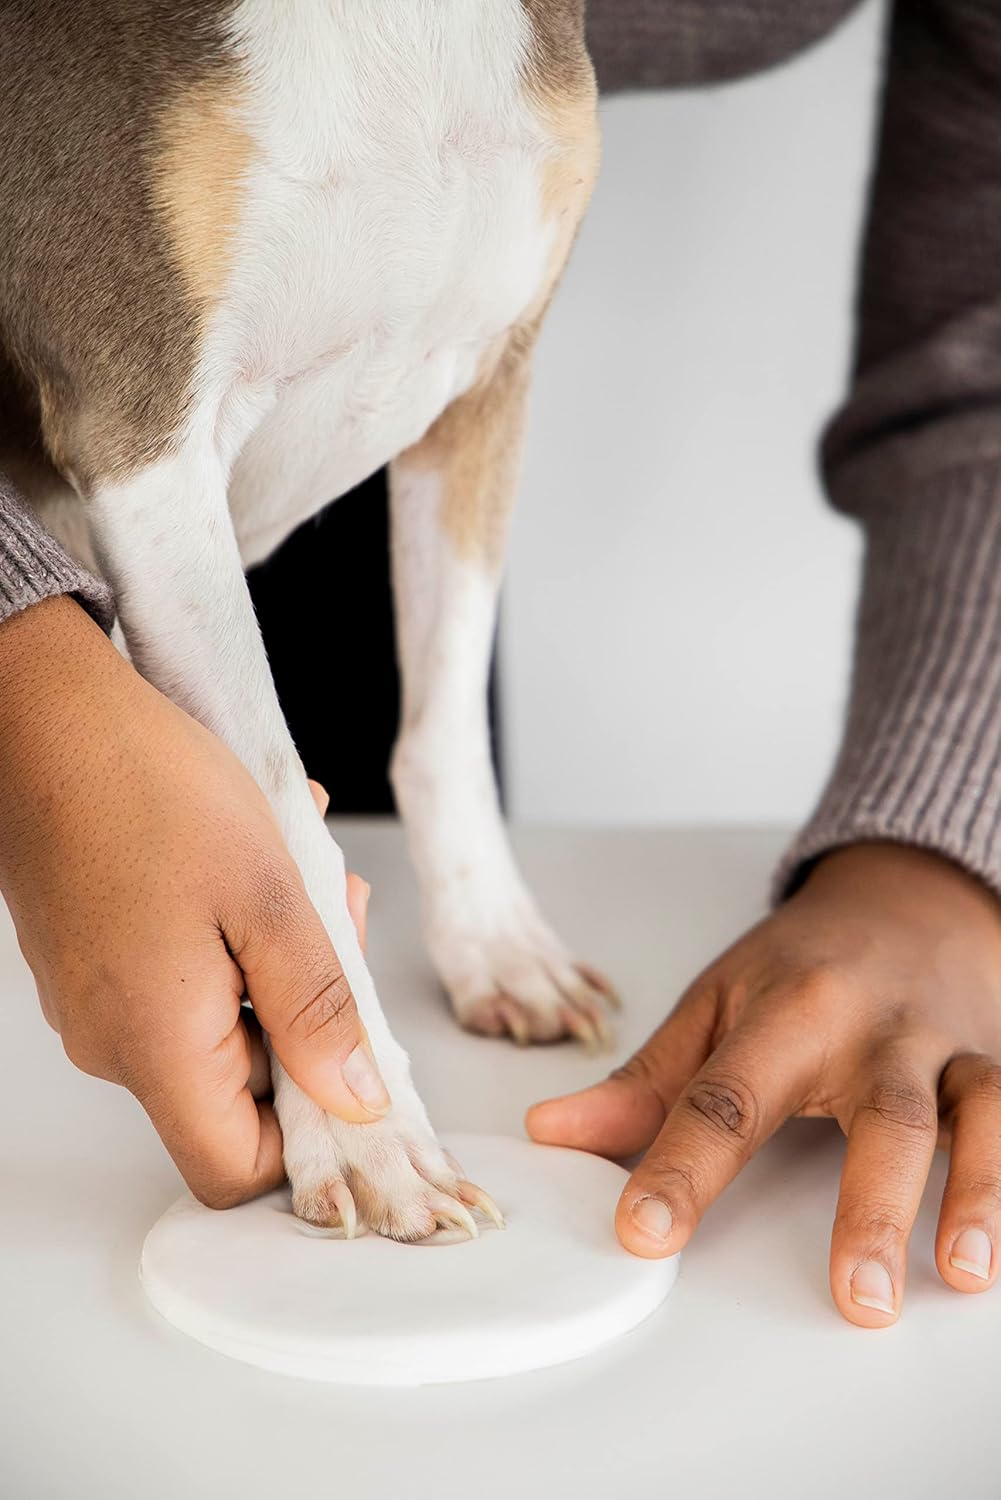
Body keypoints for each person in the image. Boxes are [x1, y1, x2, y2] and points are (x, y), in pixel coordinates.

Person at [2, 0, 1000, 1327]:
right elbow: (139, 430)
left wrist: (938, 862)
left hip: (301, 517)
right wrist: (27, 674)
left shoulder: (534, 67)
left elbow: (473, 371)